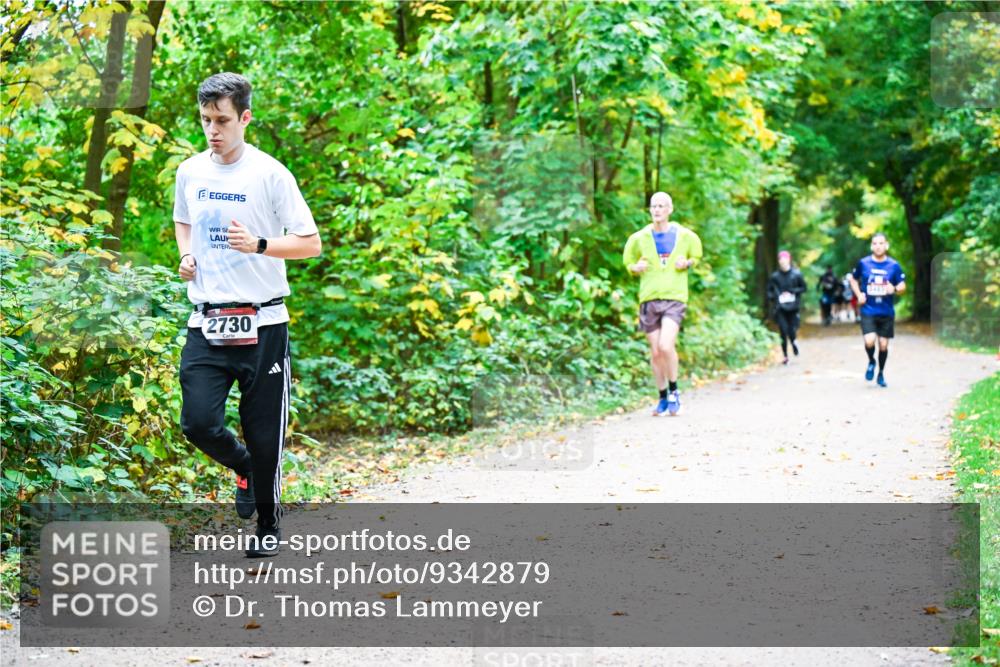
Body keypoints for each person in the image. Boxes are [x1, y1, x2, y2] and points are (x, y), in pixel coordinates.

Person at [174, 73, 322, 557]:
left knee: (264, 434)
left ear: (245, 118)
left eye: (221, 121)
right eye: (205, 121)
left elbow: (310, 244)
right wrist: (186, 255)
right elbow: (183, 220)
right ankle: (245, 468)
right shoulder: (191, 171)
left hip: (264, 323)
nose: (212, 131)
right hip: (207, 321)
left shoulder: (270, 174)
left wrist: (260, 245)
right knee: (198, 422)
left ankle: (268, 524)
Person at [623, 192, 703, 416]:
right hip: (649, 298)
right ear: (650, 210)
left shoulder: (685, 236)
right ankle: (661, 396)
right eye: (653, 206)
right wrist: (634, 267)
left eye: (661, 206)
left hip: (674, 297)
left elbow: (696, 255)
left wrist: (686, 262)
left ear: (670, 209)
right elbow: (628, 260)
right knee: (656, 351)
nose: (657, 210)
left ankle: (674, 391)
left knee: (667, 345)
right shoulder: (639, 238)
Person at [848, 233, 906, 388]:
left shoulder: (893, 265)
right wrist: (859, 294)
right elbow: (853, 278)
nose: (878, 246)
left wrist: (893, 288)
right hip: (868, 310)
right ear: (871, 246)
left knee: (883, 345)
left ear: (886, 245)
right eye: (875, 243)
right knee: (869, 340)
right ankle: (871, 361)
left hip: (886, 311)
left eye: (881, 243)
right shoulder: (863, 263)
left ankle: (880, 373)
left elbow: (902, 286)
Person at [767, 250, 807, 364]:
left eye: (784, 259)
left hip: (793, 307)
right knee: (783, 331)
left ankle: (794, 342)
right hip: (780, 308)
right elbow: (769, 292)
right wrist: (776, 297)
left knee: (791, 329)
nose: (782, 262)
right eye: (780, 260)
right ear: (779, 262)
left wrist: (792, 292)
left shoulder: (796, 274)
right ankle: (785, 356)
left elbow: (804, 288)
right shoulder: (775, 276)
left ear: (788, 260)